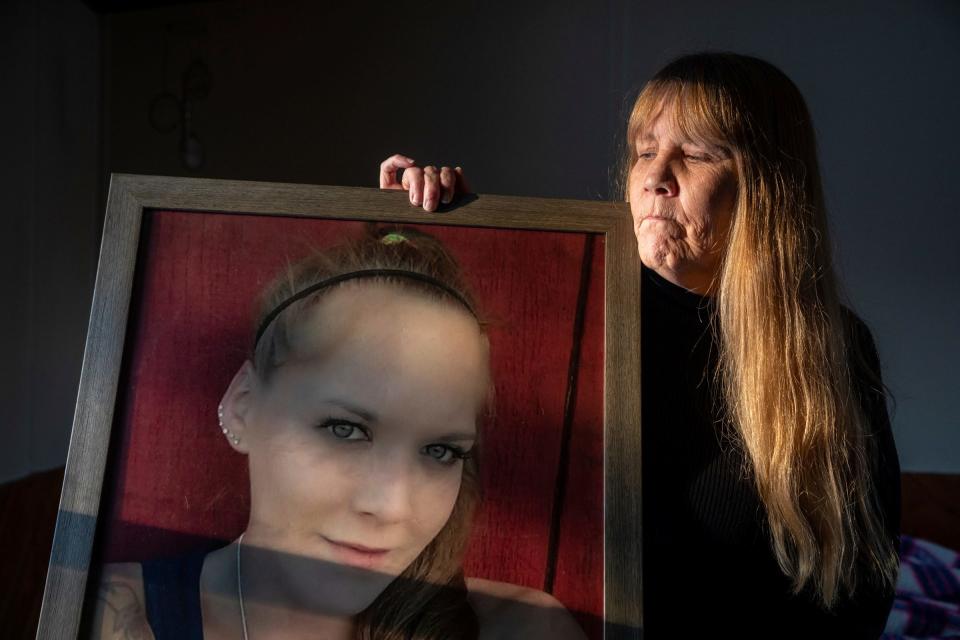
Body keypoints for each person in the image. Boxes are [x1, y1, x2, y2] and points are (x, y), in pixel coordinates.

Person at [379, 52, 901, 638]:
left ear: (769, 182)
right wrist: (443, 237)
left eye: (698, 152)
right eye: (644, 151)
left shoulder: (833, 345)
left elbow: (858, 589)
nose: (656, 175)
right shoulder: (570, 309)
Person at [91, 227, 586, 639]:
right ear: (243, 405)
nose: (391, 506)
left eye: (440, 450)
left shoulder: (521, 630)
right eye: (345, 429)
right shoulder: (111, 615)